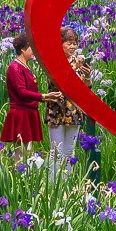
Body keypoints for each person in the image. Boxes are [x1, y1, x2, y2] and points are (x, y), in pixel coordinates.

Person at [43, 25, 91, 171]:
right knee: (56, 152)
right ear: (60, 43)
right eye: (69, 43)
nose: (72, 46)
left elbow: (86, 88)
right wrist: (73, 67)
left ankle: (67, 187)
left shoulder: (79, 62)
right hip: (57, 110)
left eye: (75, 43)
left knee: (69, 152)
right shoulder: (53, 60)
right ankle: (53, 187)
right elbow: (58, 84)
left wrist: (88, 75)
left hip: (74, 111)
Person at [1, 32, 46, 147]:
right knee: (20, 152)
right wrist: (43, 97)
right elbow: (22, 92)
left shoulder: (25, 66)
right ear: (23, 49)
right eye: (31, 47)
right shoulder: (15, 68)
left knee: (27, 149)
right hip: (21, 114)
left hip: (29, 111)